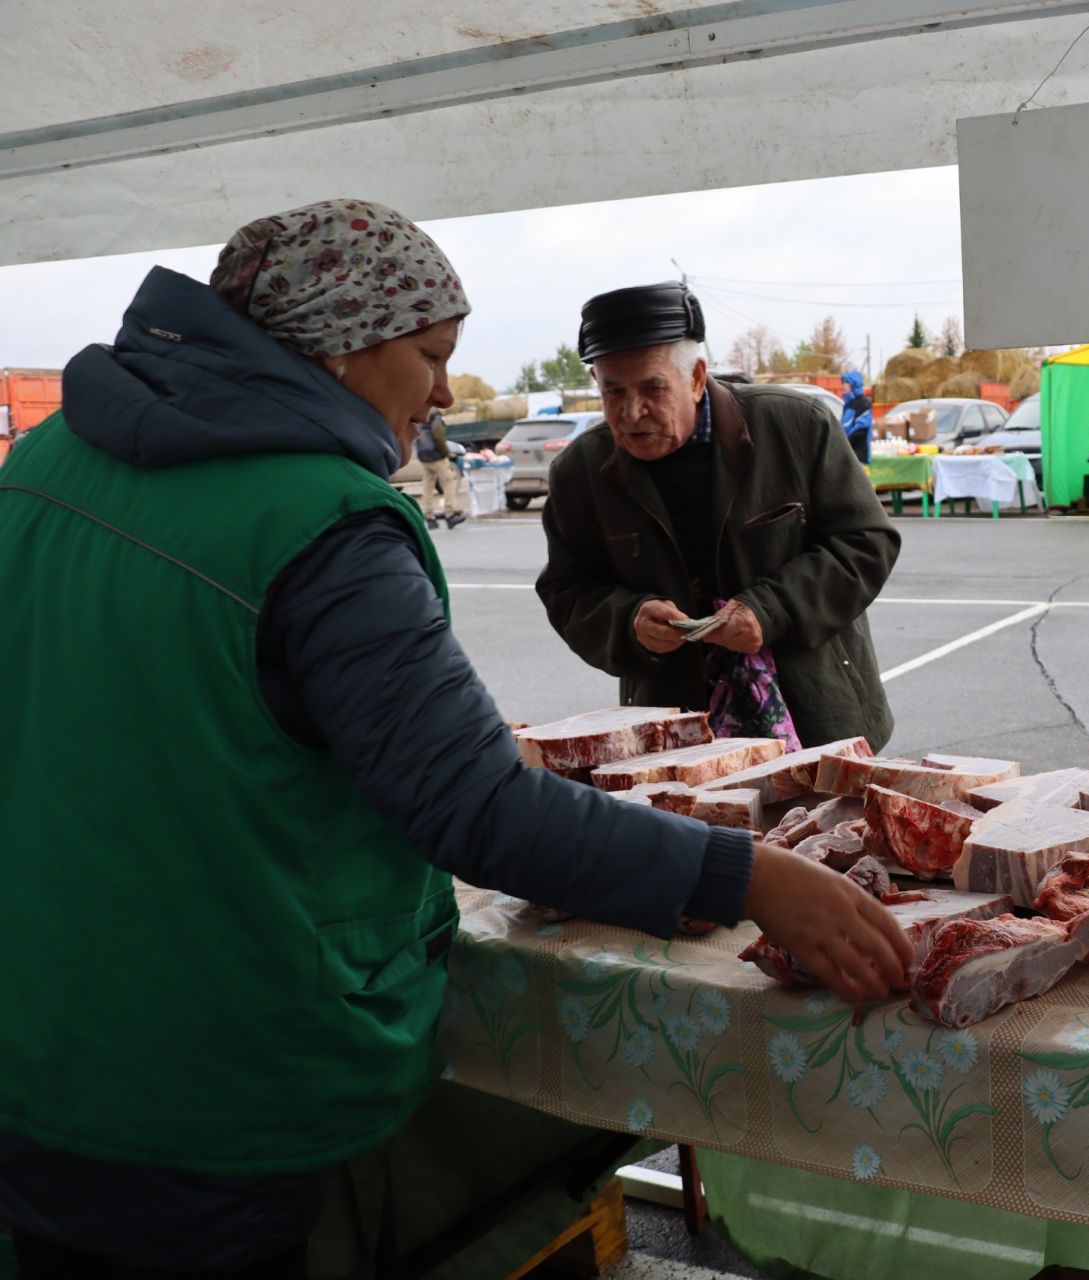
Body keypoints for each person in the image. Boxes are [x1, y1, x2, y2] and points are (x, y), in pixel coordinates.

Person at [0, 201, 911, 1277]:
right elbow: (476, 808)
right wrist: (751, 877)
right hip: (213, 1076)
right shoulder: (321, 518)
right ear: (339, 343)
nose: (443, 393)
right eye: (431, 357)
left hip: (37, 1039)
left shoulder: (43, 461)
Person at [538, 283, 900, 748]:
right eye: (613, 391)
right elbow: (567, 590)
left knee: (833, 821)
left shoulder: (796, 426)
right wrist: (629, 621)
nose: (631, 412)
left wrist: (772, 610)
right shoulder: (579, 473)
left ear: (696, 377)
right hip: (674, 730)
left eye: (653, 387)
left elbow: (866, 542)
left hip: (816, 717)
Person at [413, 405, 467, 528]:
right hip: (435, 454)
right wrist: (445, 453)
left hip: (423, 454)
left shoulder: (419, 409)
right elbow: (438, 434)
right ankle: (450, 514)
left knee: (428, 485)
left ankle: (429, 516)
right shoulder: (435, 413)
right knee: (449, 480)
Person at [839, 368, 874, 463]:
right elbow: (843, 425)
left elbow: (860, 430)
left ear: (853, 384)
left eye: (846, 382)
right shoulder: (848, 403)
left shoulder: (863, 403)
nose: (844, 386)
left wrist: (844, 443)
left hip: (859, 455)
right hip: (848, 453)